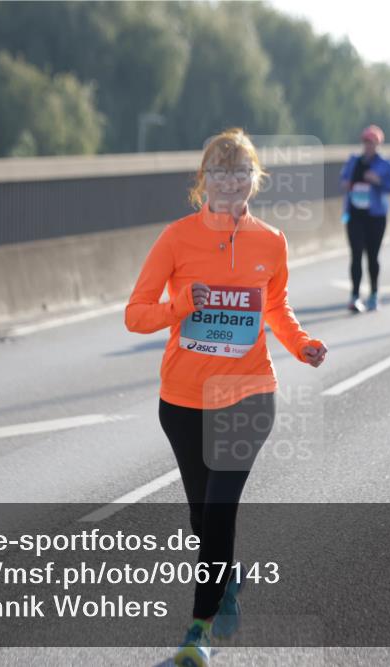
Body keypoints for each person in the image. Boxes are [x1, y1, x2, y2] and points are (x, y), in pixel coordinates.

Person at [125, 128, 327, 667]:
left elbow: (276, 310)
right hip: (183, 399)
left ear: (255, 180)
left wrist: (302, 343)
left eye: (241, 172)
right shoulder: (176, 238)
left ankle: (197, 632)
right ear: (203, 182)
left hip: (249, 394)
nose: (231, 181)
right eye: (220, 171)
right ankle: (227, 577)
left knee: (219, 510)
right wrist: (180, 304)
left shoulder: (271, 242)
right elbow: (135, 314)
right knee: (201, 517)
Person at [339, 125, 390, 312]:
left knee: (372, 256)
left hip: (376, 216)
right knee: (356, 254)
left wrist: (378, 181)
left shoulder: (385, 164)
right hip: (354, 214)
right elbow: (343, 180)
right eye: (366, 141)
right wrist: (348, 183)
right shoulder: (353, 161)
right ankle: (355, 296)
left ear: (378, 144)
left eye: (372, 142)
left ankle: (374, 294)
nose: (368, 145)